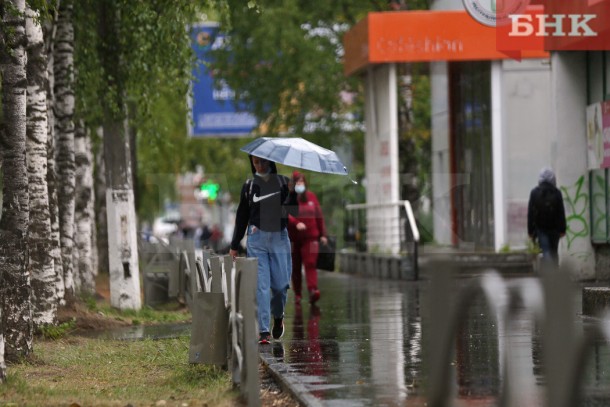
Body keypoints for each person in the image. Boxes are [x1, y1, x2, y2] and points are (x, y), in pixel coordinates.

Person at [229, 155, 298, 345]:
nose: (259, 166)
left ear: (270, 162)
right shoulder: (249, 186)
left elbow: (292, 212)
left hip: (279, 238)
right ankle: (264, 331)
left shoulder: (284, 183)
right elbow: (242, 216)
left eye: (263, 161)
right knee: (261, 285)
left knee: (280, 285)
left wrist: (292, 193)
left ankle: (279, 317)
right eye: (256, 162)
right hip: (256, 239)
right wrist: (234, 245)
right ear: (252, 162)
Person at [288, 171, 328, 304]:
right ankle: (298, 293)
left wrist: (323, 234)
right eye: (297, 182)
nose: (300, 184)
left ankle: (312, 290)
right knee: (295, 266)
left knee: (310, 264)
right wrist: (296, 223)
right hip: (294, 238)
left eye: (302, 182)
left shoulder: (311, 197)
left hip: (310, 238)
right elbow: (285, 214)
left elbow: (319, 216)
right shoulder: (289, 198)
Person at [527, 167, 567, 266]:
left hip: (540, 229)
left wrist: (530, 231)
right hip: (555, 230)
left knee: (546, 251)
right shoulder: (557, 193)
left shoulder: (534, 193)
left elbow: (530, 214)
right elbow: (561, 212)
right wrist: (562, 230)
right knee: (554, 252)